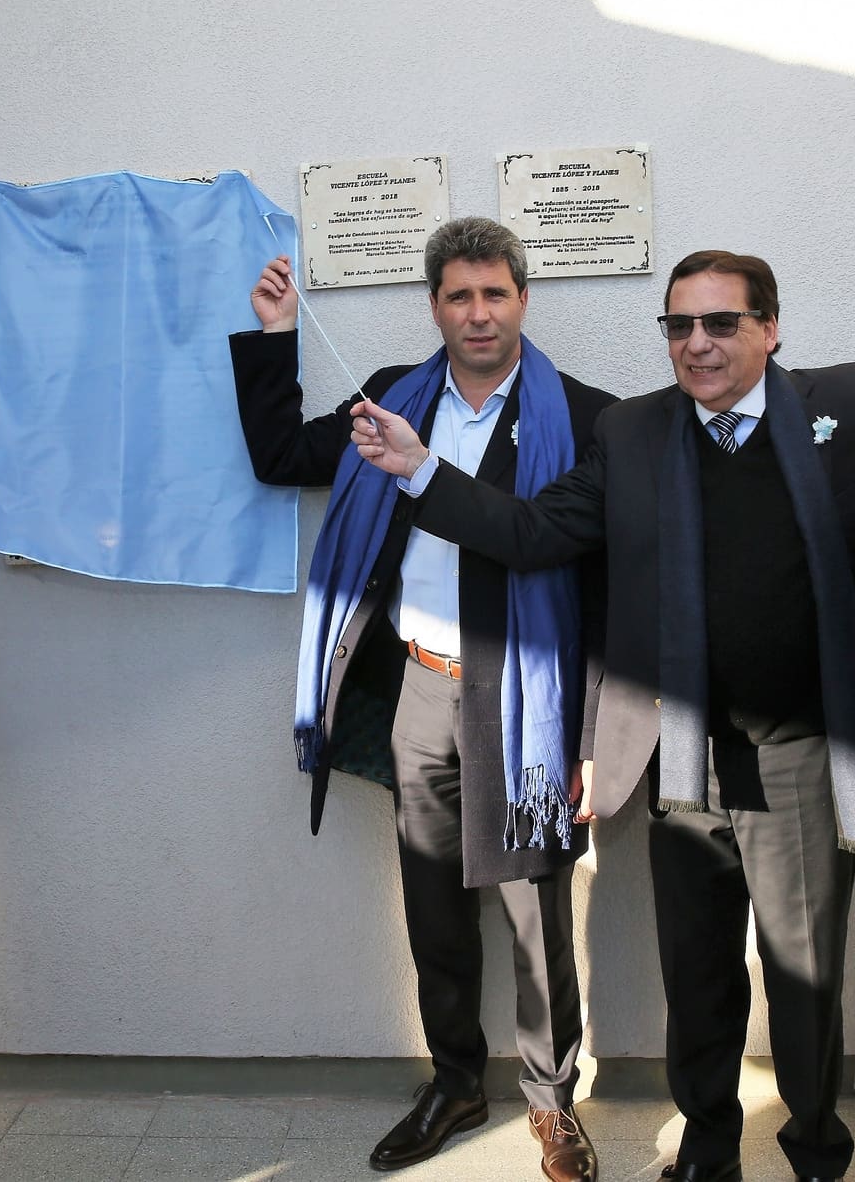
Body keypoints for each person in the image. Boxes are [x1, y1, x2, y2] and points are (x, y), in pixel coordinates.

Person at [355, 248, 855, 1182]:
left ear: (770, 328)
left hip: (800, 750)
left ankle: (815, 1145)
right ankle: (710, 1148)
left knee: (804, 975)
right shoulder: (639, 433)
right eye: (679, 325)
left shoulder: (852, 412)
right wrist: (418, 472)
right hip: (682, 755)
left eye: (721, 323)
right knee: (697, 976)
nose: (698, 344)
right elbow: (530, 533)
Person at [231, 218, 614, 1179]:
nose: (478, 313)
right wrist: (276, 335)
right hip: (421, 692)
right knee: (434, 911)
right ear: (434, 305)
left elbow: (579, 568)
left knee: (535, 920)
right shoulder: (394, 404)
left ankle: (551, 1102)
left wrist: (595, 730)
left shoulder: (588, 417)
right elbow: (280, 456)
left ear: (524, 298)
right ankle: (455, 1079)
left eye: (495, 293)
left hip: (526, 702)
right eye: (458, 295)